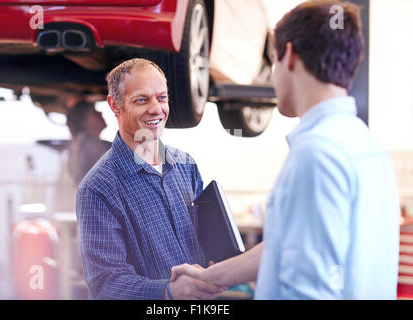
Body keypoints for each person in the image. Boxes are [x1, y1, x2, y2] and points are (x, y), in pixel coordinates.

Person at [171, 1, 400, 299]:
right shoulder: (366, 146)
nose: (273, 77)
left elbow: (308, 290)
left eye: (274, 60)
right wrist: (211, 276)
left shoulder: (317, 155)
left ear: (289, 55)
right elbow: (291, 242)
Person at [75, 58, 224, 299]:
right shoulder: (98, 189)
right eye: (142, 100)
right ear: (115, 105)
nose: (156, 109)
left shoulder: (185, 165)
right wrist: (168, 292)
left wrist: (221, 263)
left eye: (162, 97)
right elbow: (105, 284)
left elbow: (207, 242)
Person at [66, 100, 111, 184]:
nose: (100, 113)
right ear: (84, 122)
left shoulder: (80, 143)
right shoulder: (86, 144)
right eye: (94, 112)